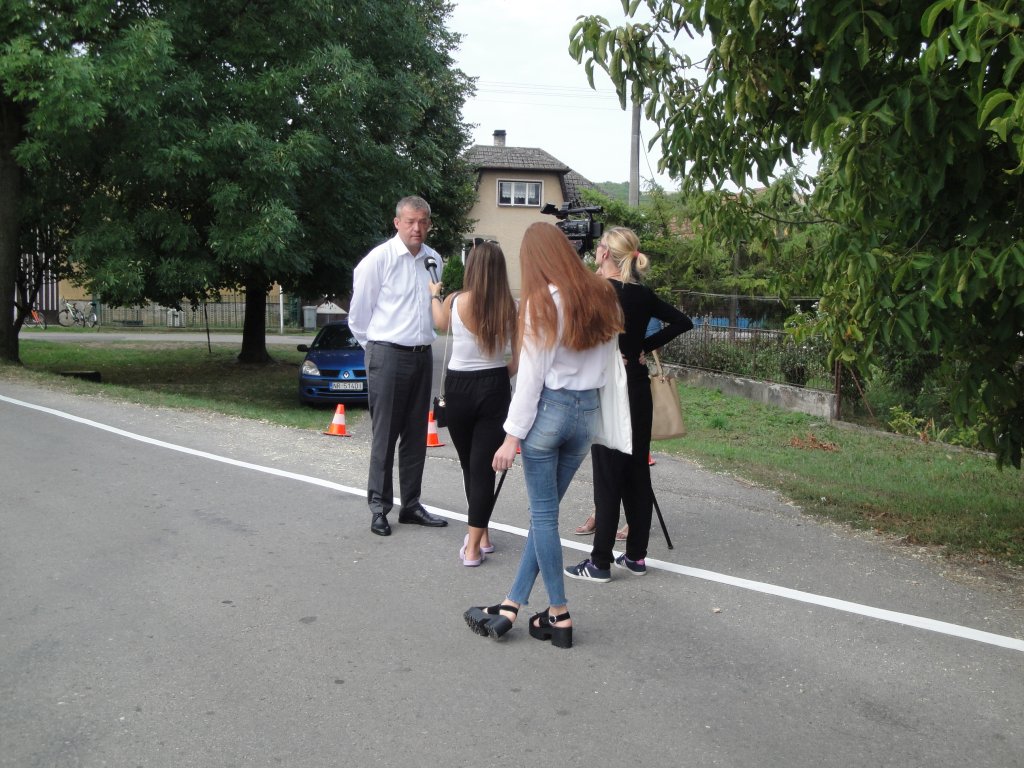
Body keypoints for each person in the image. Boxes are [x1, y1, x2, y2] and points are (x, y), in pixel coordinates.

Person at [462, 221, 622, 648]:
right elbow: (610, 363)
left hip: (550, 411)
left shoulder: (542, 301)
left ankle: (559, 613)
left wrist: (510, 437)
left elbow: (531, 377)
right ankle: (512, 604)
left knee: (544, 517)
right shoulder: (602, 293)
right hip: (586, 413)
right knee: (544, 519)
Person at [565, 226, 693, 582]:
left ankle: (600, 562)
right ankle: (636, 556)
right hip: (637, 387)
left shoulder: (598, 290)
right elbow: (683, 321)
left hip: (610, 387)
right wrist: (639, 348)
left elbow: (579, 336)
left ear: (605, 252)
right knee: (637, 471)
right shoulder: (641, 292)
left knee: (608, 474)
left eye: (599, 246)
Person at [348, 195, 449, 536]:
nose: (416, 228)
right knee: (385, 435)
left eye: (422, 222)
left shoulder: (433, 259)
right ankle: (379, 507)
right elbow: (358, 316)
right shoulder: (379, 259)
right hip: (388, 354)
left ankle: (411, 505)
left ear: (429, 224)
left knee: (416, 435)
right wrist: (376, 350)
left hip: (422, 354)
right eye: (410, 221)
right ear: (397, 223)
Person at [429, 241, 519, 566]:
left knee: (470, 466)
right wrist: (496, 376)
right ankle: (482, 536)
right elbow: (518, 361)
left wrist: (434, 294)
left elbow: (440, 323)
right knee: (483, 468)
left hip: (458, 389)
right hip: (495, 388)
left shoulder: (454, 300)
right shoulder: (511, 307)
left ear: (472, 268)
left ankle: (472, 549)